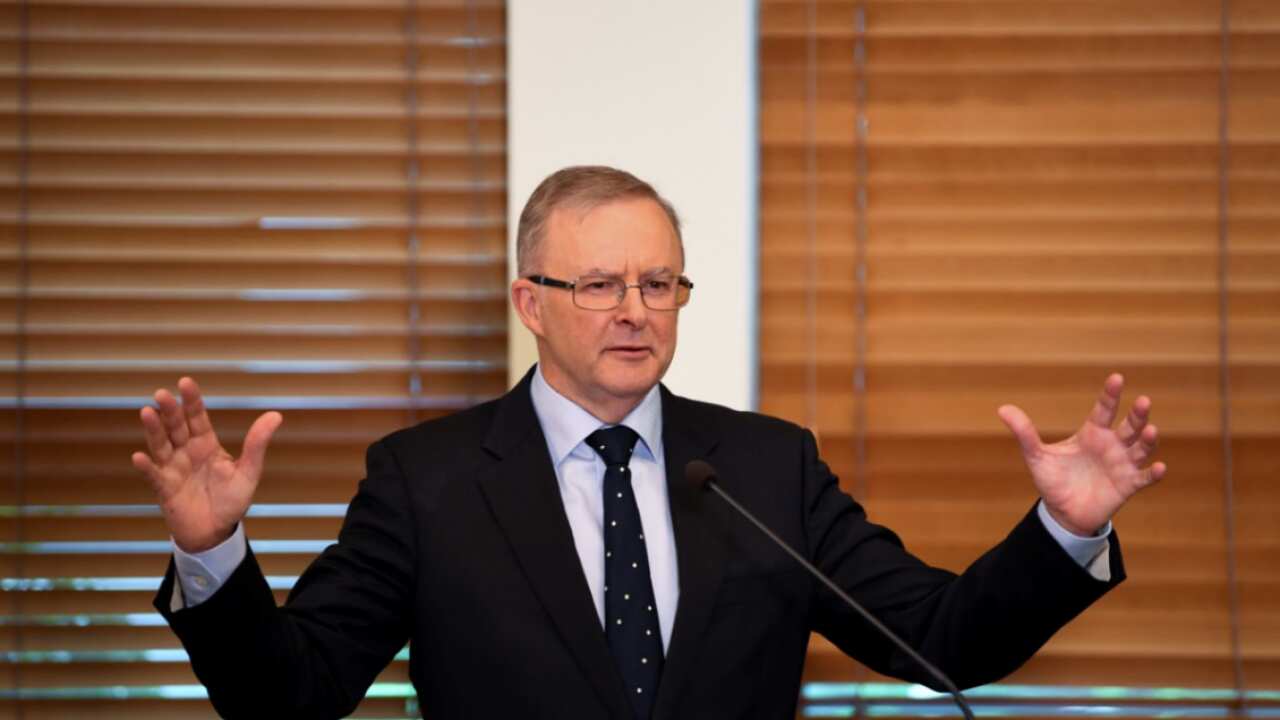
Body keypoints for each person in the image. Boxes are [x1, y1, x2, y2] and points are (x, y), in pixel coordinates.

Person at [133, 165, 1166, 719]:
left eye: (657, 283)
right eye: (597, 285)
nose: (634, 310)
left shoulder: (766, 464)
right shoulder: (429, 480)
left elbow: (941, 642)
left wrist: (1059, 531)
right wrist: (213, 556)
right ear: (528, 303)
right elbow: (293, 696)